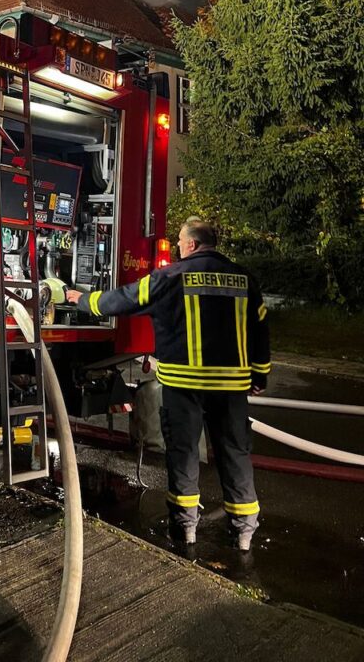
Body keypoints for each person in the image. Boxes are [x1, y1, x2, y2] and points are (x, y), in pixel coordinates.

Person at [66, 217, 270, 550]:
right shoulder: (245, 279)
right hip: (231, 387)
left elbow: (123, 299)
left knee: (184, 455)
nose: (177, 246)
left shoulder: (170, 276)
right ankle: (244, 533)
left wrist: (82, 299)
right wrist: (259, 375)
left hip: (183, 386)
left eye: (179, 241)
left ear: (191, 244)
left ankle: (185, 531)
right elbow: (260, 330)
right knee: (235, 453)